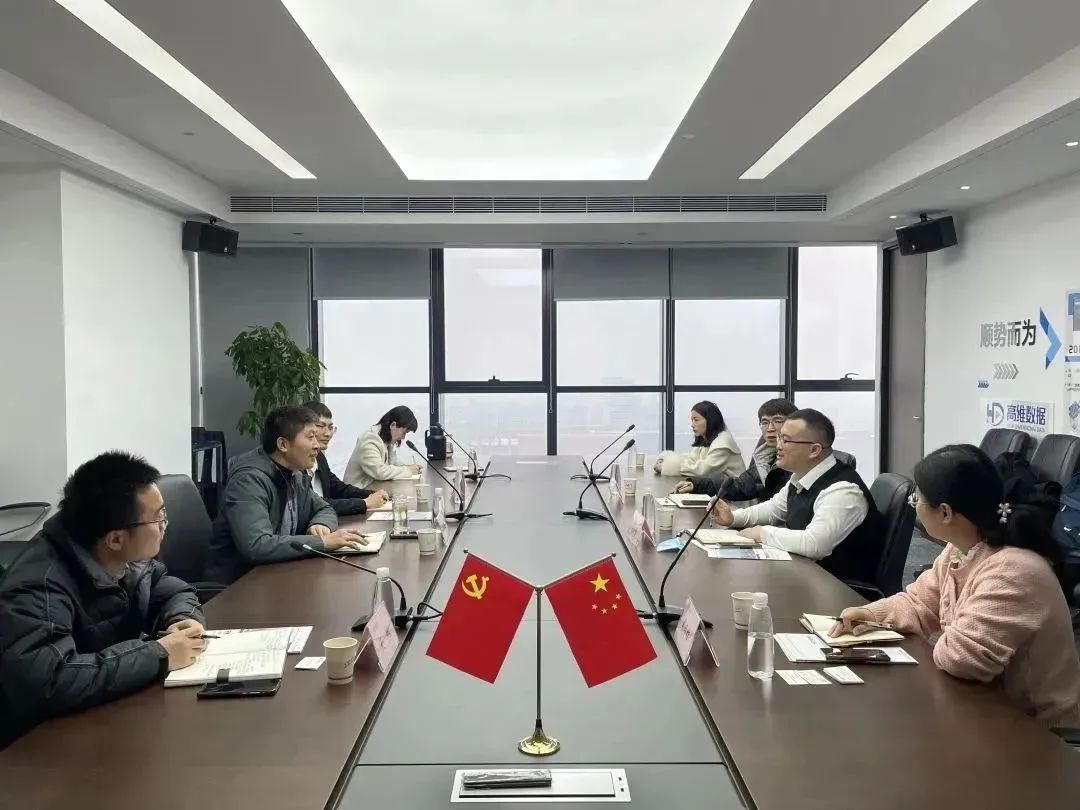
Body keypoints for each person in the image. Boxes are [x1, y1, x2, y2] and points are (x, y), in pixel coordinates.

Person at [833, 444, 1080, 728]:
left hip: (1035, 731)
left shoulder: (1013, 571)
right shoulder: (961, 549)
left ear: (945, 513)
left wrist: (945, 632)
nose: (914, 505)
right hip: (981, 707)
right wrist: (872, 615)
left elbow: (962, 659)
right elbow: (920, 602)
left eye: (916, 500)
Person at [0, 452, 205, 747]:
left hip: (107, 719)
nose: (165, 525)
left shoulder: (128, 560)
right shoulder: (37, 586)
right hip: (42, 747)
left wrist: (182, 618)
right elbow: (50, 682)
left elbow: (171, 590)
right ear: (116, 539)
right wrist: (158, 655)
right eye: (158, 517)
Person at [710, 408, 883, 583]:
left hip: (839, 588)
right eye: (779, 438)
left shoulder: (843, 490)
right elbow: (774, 509)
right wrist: (733, 518)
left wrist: (762, 533)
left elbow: (815, 544)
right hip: (806, 574)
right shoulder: (801, 476)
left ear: (814, 450)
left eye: (786, 440)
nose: (778, 446)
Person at [206, 405, 369, 585]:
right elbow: (257, 545)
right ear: (283, 444)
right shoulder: (249, 480)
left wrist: (321, 523)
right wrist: (321, 542)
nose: (317, 445)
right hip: (238, 585)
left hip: (276, 573)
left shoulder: (293, 473)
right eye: (310, 437)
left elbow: (324, 508)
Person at [674, 397, 797, 500]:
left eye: (777, 421)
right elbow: (744, 485)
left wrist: (673, 466)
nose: (770, 428)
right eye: (765, 422)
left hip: (747, 507)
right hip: (753, 508)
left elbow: (703, 471)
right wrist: (696, 485)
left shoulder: (798, 457)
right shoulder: (764, 454)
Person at [303, 401, 390, 516]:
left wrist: (371, 494)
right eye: (321, 426)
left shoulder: (319, 457)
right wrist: (364, 503)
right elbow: (314, 505)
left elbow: (338, 488)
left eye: (330, 427)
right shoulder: (296, 464)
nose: (328, 433)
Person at [653, 401, 745, 481]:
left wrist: (667, 467)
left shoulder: (723, 443)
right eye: (692, 420)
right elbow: (692, 459)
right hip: (720, 490)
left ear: (710, 420)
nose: (692, 425)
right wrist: (666, 460)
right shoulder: (707, 439)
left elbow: (702, 471)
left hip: (735, 495)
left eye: (696, 420)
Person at [344, 405, 423, 488]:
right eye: (403, 432)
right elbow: (379, 471)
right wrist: (408, 470)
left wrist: (410, 467)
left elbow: (394, 464)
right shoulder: (370, 439)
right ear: (393, 425)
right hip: (356, 492)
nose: (403, 437)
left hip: (372, 489)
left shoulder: (386, 440)